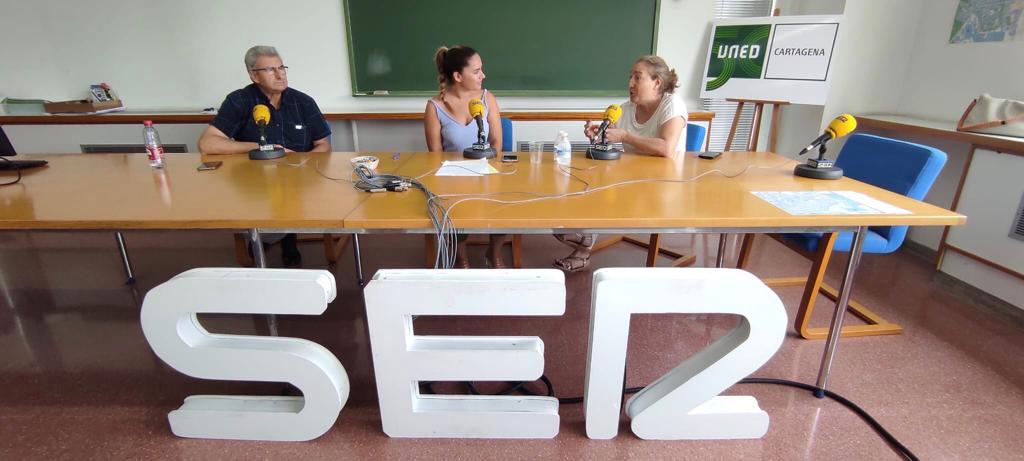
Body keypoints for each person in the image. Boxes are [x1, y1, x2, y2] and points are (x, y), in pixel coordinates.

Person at [198, 45, 333, 267]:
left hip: (299, 180)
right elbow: (207, 144)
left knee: (295, 195)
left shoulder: (303, 102)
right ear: (253, 75)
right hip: (255, 183)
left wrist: (303, 164)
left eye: (282, 68)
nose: (280, 75)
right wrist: (263, 147)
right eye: (270, 70)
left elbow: (323, 145)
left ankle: (289, 239)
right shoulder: (239, 101)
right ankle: (260, 238)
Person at [554, 55, 688, 272]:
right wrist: (599, 133)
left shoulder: (672, 104)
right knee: (589, 179)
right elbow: (610, 137)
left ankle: (584, 242)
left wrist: (625, 136)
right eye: (630, 77)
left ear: (657, 82)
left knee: (605, 188)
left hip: (665, 184)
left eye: (637, 78)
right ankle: (583, 239)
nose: (630, 84)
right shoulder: (625, 109)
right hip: (631, 179)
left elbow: (666, 148)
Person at [423, 45, 508, 269]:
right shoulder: (434, 107)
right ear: (458, 76)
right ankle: (461, 259)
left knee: (508, 204)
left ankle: (494, 254)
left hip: (488, 172)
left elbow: (497, 143)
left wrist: (487, 170)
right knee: (453, 208)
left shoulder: (487, 98)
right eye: (477, 71)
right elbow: (435, 155)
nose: (483, 75)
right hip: (453, 178)